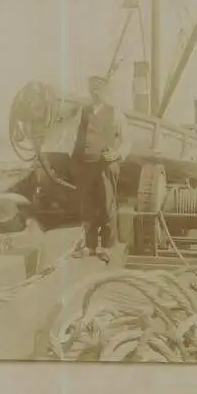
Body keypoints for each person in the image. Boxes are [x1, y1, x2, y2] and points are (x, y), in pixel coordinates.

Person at [71, 75, 131, 263]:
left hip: (106, 165)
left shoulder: (116, 112)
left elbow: (127, 140)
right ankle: (89, 245)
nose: (94, 91)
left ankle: (106, 246)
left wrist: (118, 154)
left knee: (107, 205)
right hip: (86, 165)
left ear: (105, 90)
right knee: (87, 206)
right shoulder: (83, 112)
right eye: (91, 88)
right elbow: (77, 139)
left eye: (97, 88)